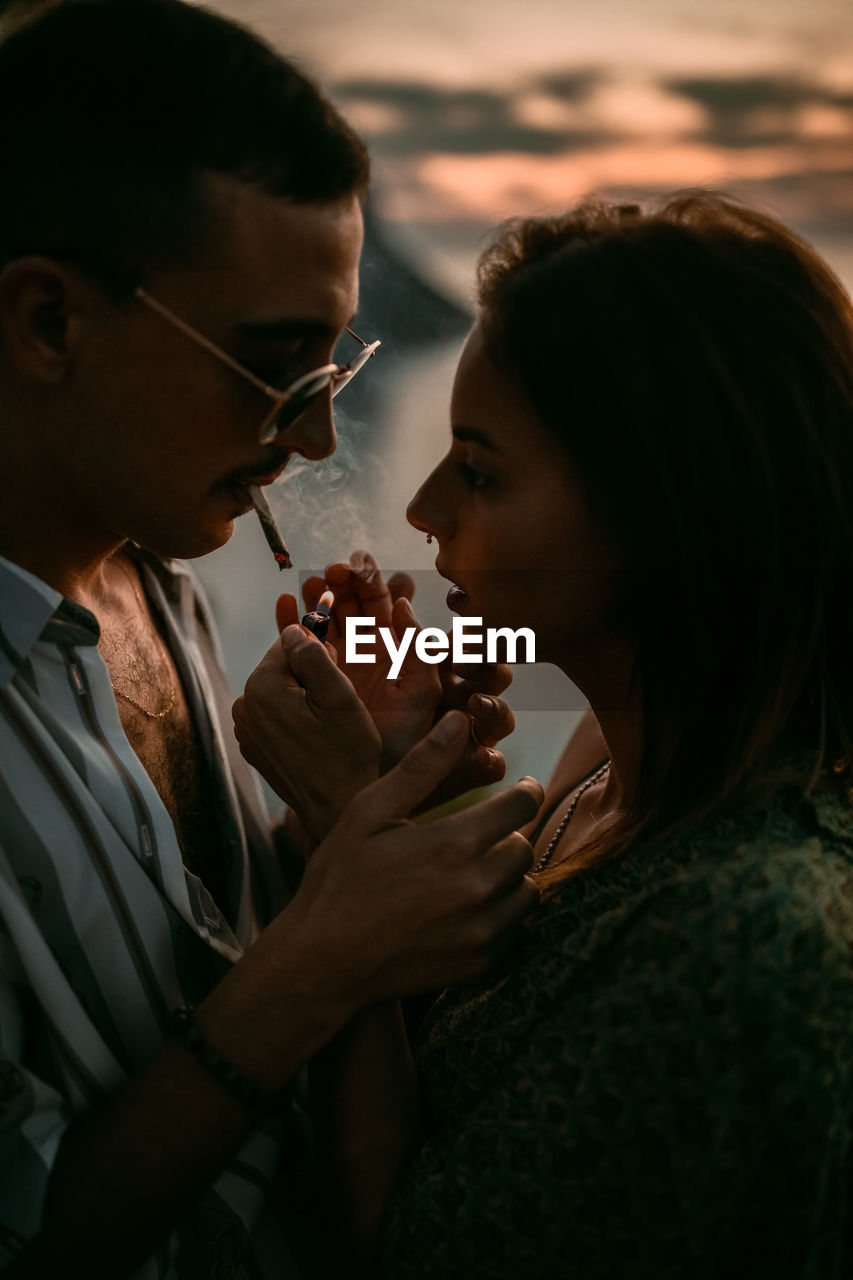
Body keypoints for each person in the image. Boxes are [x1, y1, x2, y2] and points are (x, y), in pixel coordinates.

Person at [0, 2, 539, 1276]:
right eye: (270, 367)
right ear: (47, 323)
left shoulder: (155, 571)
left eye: (330, 376)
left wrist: (340, 814)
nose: (308, 444)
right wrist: (319, 957)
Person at [237, 193, 853, 1277]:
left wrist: (346, 834)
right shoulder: (615, 761)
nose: (423, 508)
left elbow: (395, 1252)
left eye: (478, 470)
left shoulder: (750, 926)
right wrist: (394, 780)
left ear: (667, 516)